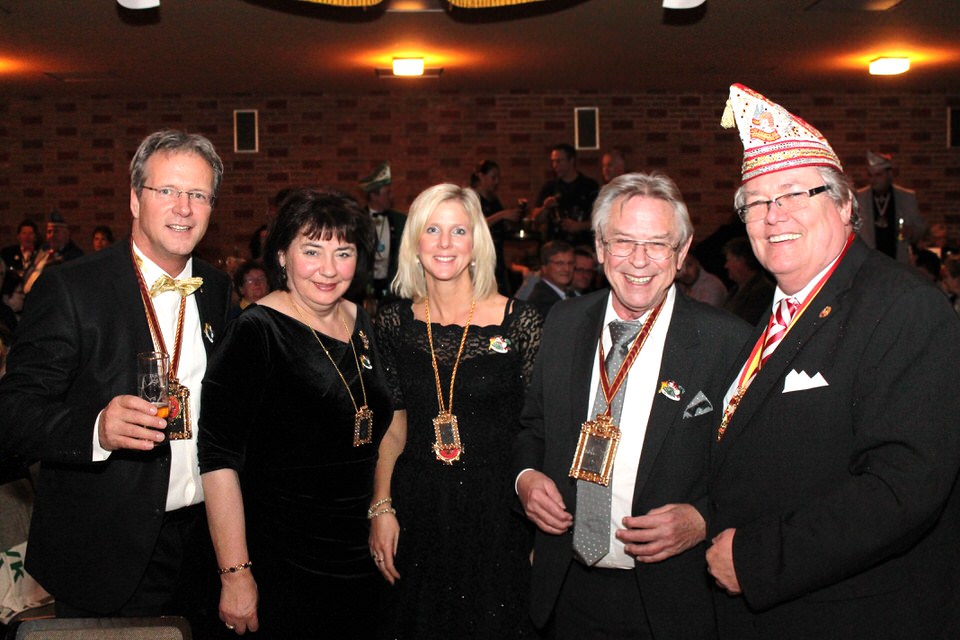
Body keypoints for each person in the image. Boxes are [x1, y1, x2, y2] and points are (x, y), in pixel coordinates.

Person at [707, 83, 960, 640]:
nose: (774, 215)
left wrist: (755, 559)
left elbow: (903, 487)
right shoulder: (759, 308)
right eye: (756, 201)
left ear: (845, 205)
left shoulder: (903, 307)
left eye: (795, 193)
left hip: (852, 612)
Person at [0, 130, 231, 631]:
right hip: (104, 550)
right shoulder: (71, 288)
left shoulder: (216, 288)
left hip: (201, 546)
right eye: (167, 191)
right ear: (133, 198)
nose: (184, 208)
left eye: (198, 195)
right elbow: (13, 415)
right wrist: (97, 428)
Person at [514, 172, 751, 639]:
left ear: (682, 254)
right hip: (568, 586)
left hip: (672, 599)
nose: (639, 261)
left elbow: (755, 469)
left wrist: (704, 518)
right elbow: (532, 428)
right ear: (600, 248)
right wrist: (526, 479)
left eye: (658, 244)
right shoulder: (562, 323)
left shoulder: (728, 343)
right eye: (623, 242)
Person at [199, 189, 392, 637]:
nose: (329, 269)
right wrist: (236, 573)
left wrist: (382, 505)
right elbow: (217, 459)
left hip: (357, 551)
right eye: (312, 250)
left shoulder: (358, 319)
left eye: (342, 252)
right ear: (282, 255)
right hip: (281, 558)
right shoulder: (255, 331)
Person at [371, 183, 543, 638]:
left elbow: (539, 429)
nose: (445, 243)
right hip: (420, 509)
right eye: (432, 229)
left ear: (475, 245)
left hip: (500, 512)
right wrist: (381, 506)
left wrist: (545, 532)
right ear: (415, 243)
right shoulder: (393, 321)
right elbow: (394, 424)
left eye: (458, 231)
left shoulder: (521, 322)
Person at [855, 150, 925, 263]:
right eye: (871, 175)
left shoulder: (906, 197)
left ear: (890, 174)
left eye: (878, 175)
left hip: (897, 260)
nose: (873, 180)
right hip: (869, 262)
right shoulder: (859, 198)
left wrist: (911, 232)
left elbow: (921, 228)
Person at [528, 143, 599, 247]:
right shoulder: (550, 187)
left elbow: (602, 219)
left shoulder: (589, 186)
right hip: (555, 244)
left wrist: (579, 226)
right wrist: (545, 208)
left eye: (559, 161)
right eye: (553, 161)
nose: (555, 165)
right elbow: (535, 219)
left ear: (571, 161)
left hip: (583, 245)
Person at [471, 160, 524, 295]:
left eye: (498, 178)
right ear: (481, 176)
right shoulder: (472, 199)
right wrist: (502, 215)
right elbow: (473, 225)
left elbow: (500, 225)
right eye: (493, 177)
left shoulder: (494, 200)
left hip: (496, 254)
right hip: (480, 256)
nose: (496, 182)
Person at [360, 161, 406, 302]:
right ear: (374, 195)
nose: (391, 196)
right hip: (363, 290)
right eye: (387, 192)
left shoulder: (400, 220)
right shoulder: (357, 219)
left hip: (391, 290)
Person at [721, 237, 775, 325]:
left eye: (729, 260)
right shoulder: (736, 289)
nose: (726, 266)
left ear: (741, 261)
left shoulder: (762, 292)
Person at [526, 241, 575, 317]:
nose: (567, 269)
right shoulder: (541, 302)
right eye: (559, 263)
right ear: (544, 268)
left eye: (570, 263)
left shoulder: (571, 295)